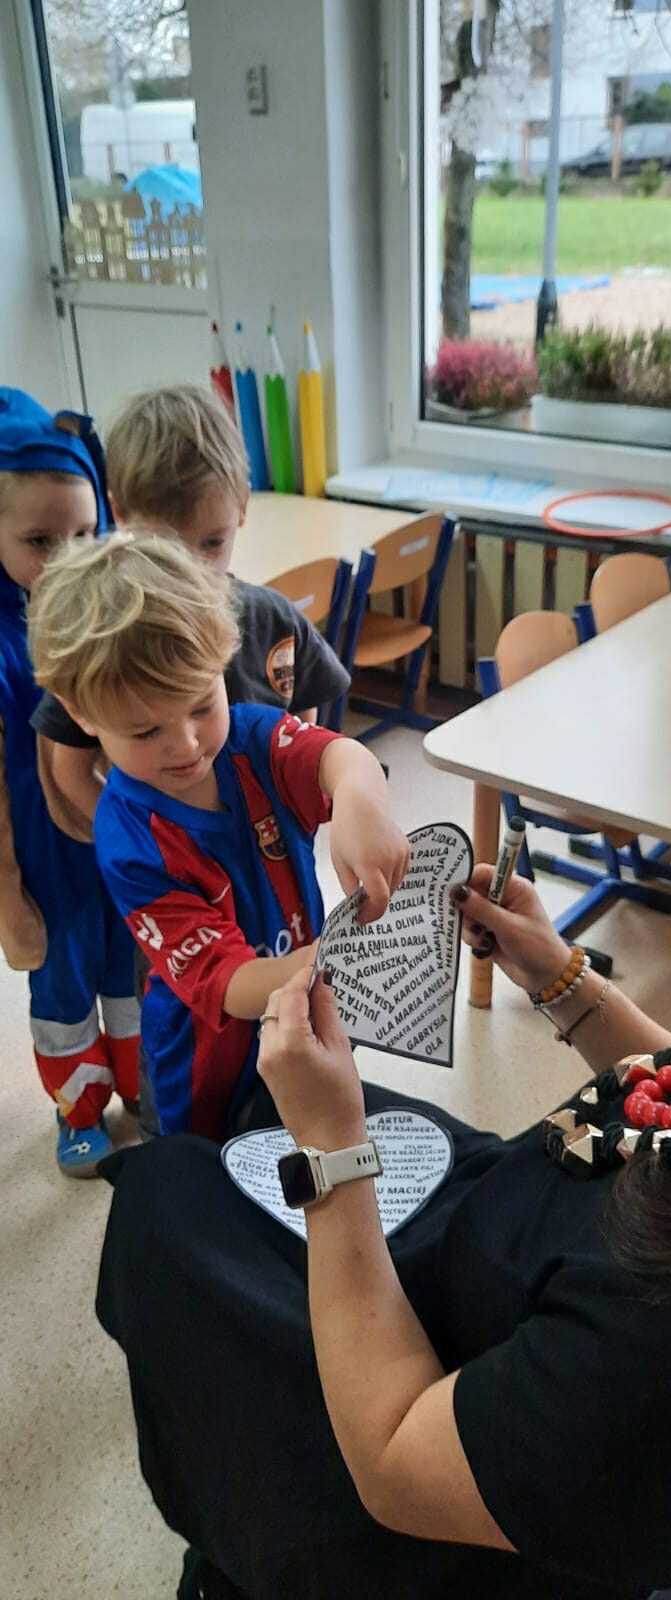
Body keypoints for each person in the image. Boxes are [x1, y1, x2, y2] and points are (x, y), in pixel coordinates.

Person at [93, 852, 671, 1600]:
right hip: (519, 1222)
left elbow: (395, 1469)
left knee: (162, 1197)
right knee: (258, 1119)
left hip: (437, 1418)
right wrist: (559, 977)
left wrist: (332, 1150)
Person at [28, 532, 408, 1140]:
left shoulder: (253, 735)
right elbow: (227, 983)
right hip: (205, 1070)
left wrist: (360, 803)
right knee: (208, 1170)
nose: (185, 745)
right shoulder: (128, 840)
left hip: (303, 1009)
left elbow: (342, 759)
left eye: (203, 704)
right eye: (145, 731)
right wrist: (335, 963)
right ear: (82, 715)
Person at [30, 382, 350, 833]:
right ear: (118, 513)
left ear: (241, 504)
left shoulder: (272, 617)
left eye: (211, 543)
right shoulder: (103, 634)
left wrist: (293, 794)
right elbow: (69, 769)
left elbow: (303, 711)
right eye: (166, 548)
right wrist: (140, 839)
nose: (191, 570)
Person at [0, 388, 139, 1176]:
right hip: (44, 861)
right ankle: (77, 1109)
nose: (69, 559)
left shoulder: (113, 606)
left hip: (122, 835)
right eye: (40, 541)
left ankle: (145, 1085)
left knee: (135, 967)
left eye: (85, 534)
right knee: (64, 988)